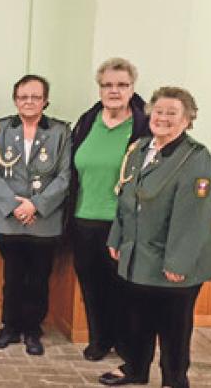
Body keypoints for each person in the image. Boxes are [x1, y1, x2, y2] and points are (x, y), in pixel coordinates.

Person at [99, 87, 211, 388]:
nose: (163, 118)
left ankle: (174, 379)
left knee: (173, 329)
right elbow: (126, 198)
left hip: (174, 261)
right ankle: (136, 370)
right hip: (138, 255)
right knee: (137, 320)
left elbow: (194, 218)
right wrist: (117, 239)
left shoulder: (195, 159)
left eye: (172, 113)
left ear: (187, 120)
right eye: (159, 111)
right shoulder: (139, 149)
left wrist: (178, 262)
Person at [0, 74, 71, 356]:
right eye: (23, 97)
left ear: (45, 100)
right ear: (15, 100)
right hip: (9, 219)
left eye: (35, 97)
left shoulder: (60, 132)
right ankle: (9, 327)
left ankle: (33, 330)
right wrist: (14, 205)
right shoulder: (0, 129)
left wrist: (36, 205)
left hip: (43, 220)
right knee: (12, 276)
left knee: (38, 278)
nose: (29, 102)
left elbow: (65, 175)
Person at [68, 58, 149, 361]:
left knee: (124, 288)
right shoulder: (88, 122)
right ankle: (99, 340)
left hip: (123, 224)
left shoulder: (143, 126)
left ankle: (127, 344)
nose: (114, 91)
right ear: (99, 88)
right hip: (84, 219)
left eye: (122, 85)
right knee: (91, 284)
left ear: (132, 88)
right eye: (108, 85)